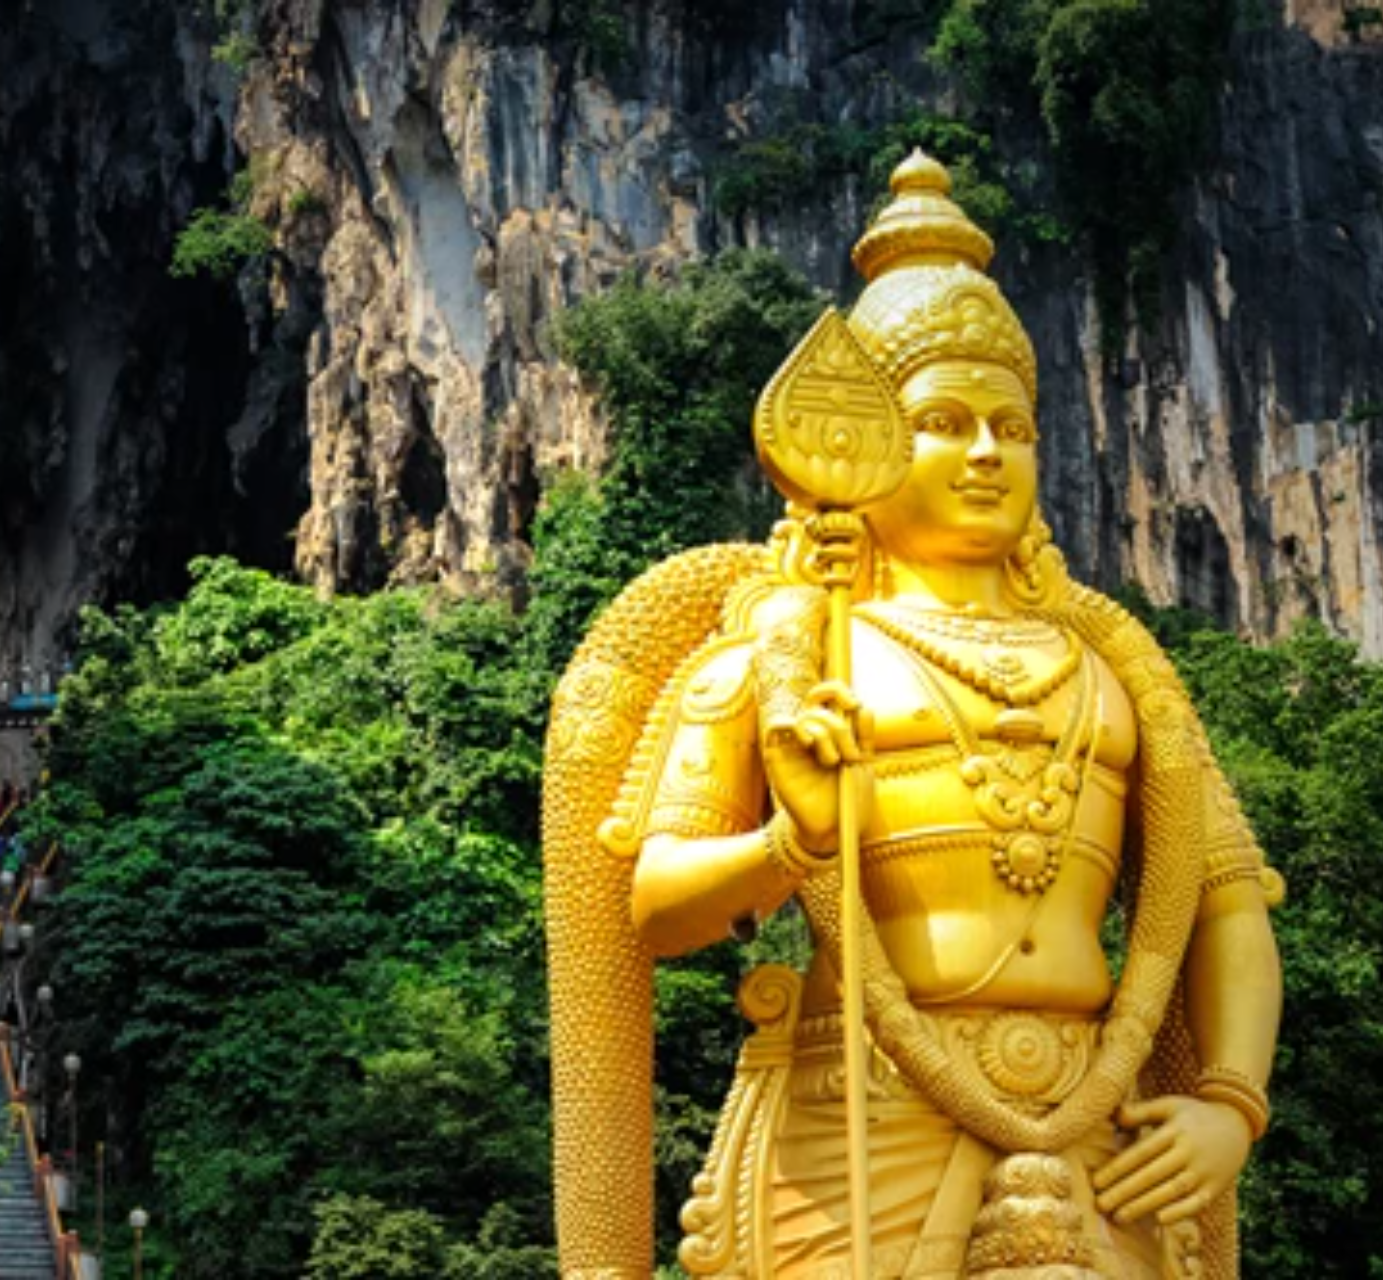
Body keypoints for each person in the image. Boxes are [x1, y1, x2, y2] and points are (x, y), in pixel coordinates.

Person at [543, 153, 1283, 1279]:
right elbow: (655, 906)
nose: (988, 453)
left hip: (1099, 1119)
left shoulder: (1116, 668)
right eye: (944, 421)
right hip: (858, 1121)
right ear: (863, 441)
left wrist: (1230, 1099)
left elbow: (1224, 897)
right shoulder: (788, 649)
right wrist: (790, 840)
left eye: (1014, 427)